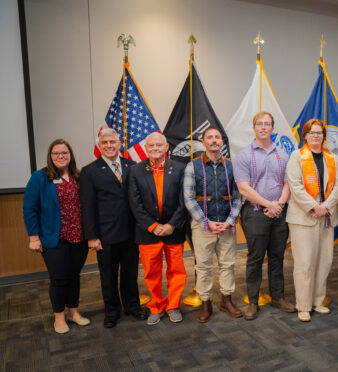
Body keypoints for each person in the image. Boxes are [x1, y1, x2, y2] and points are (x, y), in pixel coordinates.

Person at [79, 128, 146, 328]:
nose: (109, 145)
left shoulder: (132, 166)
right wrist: (92, 236)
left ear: (120, 145)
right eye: (105, 143)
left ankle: (133, 307)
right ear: (99, 146)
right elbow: (87, 206)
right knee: (108, 276)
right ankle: (112, 312)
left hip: (131, 233)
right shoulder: (89, 171)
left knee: (130, 274)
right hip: (105, 235)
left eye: (112, 142)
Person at [23, 139, 91, 334]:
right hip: (54, 238)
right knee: (59, 278)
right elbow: (29, 209)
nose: (61, 156)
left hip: (79, 237)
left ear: (71, 155)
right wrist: (33, 237)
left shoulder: (78, 176)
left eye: (65, 153)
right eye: (56, 153)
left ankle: (74, 313)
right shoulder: (40, 177)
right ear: (50, 156)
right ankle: (59, 317)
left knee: (74, 277)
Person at [234, 112, 295, 320]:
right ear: (254, 128)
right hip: (256, 213)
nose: (263, 127)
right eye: (259, 124)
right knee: (255, 258)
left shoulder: (283, 155)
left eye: (267, 124)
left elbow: (288, 184)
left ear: (272, 128)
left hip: (279, 213)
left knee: (277, 256)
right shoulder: (244, 155)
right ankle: (253, 301)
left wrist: (278, 204)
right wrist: (269, 204)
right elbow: (243, 188)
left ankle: (277, 297)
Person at [183, 127, 242, 322]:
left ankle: (226, 300)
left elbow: (237, 197)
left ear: (222, 142)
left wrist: (229, 221)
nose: (214, 140)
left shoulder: (232, 167)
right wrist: (205, 222)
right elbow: (189, 198)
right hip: (202, 226)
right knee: (203, 266)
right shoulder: (193, 166)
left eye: (217, 137)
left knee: (227, 264)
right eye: (210, 137)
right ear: (204, 142)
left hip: (226, 225)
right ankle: (206, 302)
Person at [286, 118, 338, 322]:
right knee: (304, 263)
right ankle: (303, 305)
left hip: (326, 216)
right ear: (306, 135)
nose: (316, 136)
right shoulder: (296, 157)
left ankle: (318, 301)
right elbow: (295, 185)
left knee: (324, 261)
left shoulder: (333, 158)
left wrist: (325, 207)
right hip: (303, 217)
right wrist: (313, 206)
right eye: (312, 133)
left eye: (319, 133)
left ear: (324, 136)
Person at [128, 132, 187, 325]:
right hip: (147, 232)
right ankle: (156, 306)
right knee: (151, 273)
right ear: (146, 149)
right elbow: (134, 203)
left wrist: (171, 225)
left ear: (166, 147)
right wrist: (153, 226)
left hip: (174, 230)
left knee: (176, 271)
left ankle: (173, 306)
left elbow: (183, 201)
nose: (155, 148)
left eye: (158, 145)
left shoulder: (179, 169)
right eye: (151, 146)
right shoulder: (135, 170)